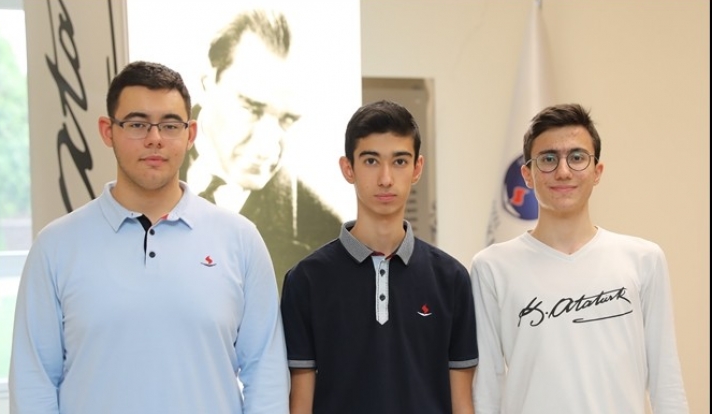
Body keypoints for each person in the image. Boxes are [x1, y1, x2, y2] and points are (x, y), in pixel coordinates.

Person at [9, 61, 289, 414]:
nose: (155, 138)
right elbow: (33, 382)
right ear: (108, 131)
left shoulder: (241, 240)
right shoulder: (55, 247)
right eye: (137, 124)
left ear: (190, 134)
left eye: (170, 125)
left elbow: (266, 374)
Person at [470, 103, 689, 414]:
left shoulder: (643, 260)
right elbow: (487, 390)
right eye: (548, 159)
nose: (563, 171)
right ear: (527, 175)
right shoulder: (492, 267)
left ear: (597, 171)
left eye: (576, 157)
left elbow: (666, 380)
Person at [280, 100, 478, 414]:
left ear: (417, 168)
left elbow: (462, 402)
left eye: (399, 161)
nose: (386, 178)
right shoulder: (306, 280)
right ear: (348, 168)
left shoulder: (451, 278)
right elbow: (300, 403)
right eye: (371, 161)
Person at [181, 8, 341, 290]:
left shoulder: (325, 233)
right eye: (251, 108)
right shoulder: (140, 171)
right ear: (208, 82)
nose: (268, 145)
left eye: (287, 119)